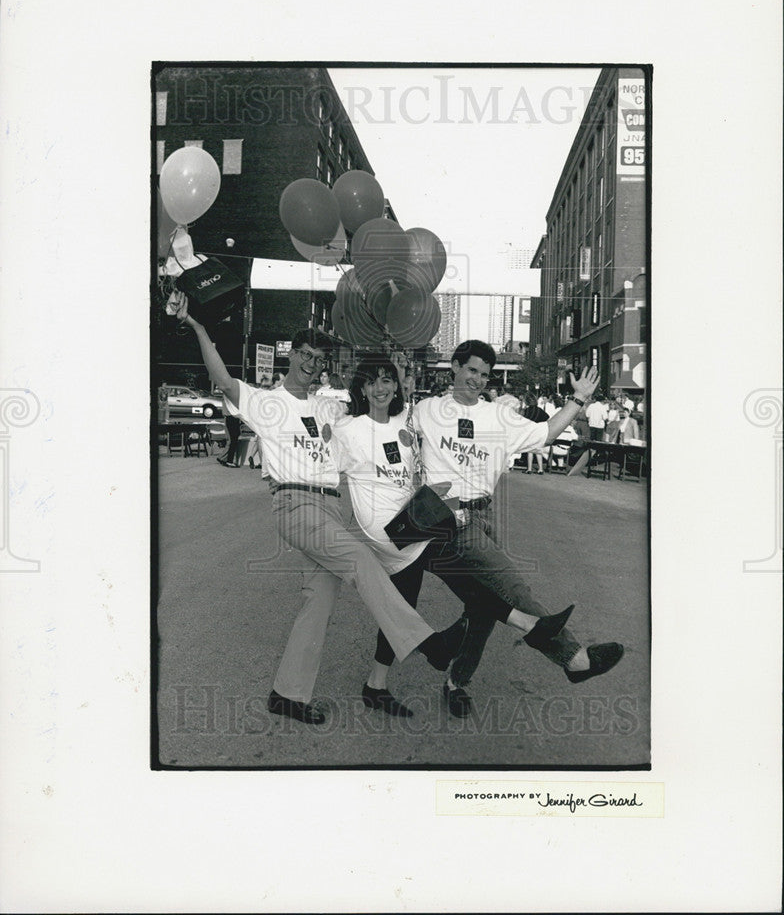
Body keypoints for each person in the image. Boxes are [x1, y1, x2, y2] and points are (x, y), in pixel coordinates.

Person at [173, 293, 466, 725]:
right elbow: (220, 376)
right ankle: (427, 644)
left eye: (318, 358)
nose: (310, 363)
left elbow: (375, 399)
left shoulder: (328, 404)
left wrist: (394, 367)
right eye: (305, 354)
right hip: (295, 503)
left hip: (332, 507)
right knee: (360, 559)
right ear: (292, 355)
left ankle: (286, 695)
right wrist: (197, 327)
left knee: (319, 602)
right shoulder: (265, 401)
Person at [326, 354, 574, 717]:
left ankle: (376, 684)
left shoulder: (406, 419)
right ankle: (501, 631)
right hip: (391, 531)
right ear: (360, 387)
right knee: (474, 586)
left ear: (396, 385)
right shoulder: (348, 429)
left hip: (416, 520)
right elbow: (322, 467)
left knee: (404, 606)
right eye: (372, 381)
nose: (380, 388)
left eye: (387, 380)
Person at [412, 340, 625, 716]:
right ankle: (574, 660)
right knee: (512, 588)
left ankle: (455, 681)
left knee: (483, 609)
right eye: (472, 370)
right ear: (455, 369)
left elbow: (544, 434)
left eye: (484, 374)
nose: (477, 379)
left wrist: (577, 401)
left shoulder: (498, 416)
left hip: (484, 517)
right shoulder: (425, 410)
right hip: (448, 520)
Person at [520, 392, 549, 474]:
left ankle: (529, 469)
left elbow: (521, 420)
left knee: (530, 450)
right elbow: (547, 418)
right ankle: (540, 469)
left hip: (529, 432)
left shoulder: (526, 411)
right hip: (538, 431)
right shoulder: (540, 410)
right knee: (538, 450)